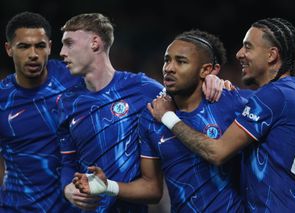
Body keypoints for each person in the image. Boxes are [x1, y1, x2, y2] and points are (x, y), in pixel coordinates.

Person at [148, 18, 295, 212]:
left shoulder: (273, 95)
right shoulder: (294, 95)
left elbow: (217, 152)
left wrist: (168, 117)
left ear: (272, 55)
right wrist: (217, 84)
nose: (239, 54)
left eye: (248, 47)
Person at [72, 29, 246, 212]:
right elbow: (152, 189)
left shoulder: (231, 102)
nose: (169, 68)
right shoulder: (151, 116)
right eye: (167, 60)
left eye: (181, 61)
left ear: (206, 70)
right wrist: (108, 186)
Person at [56, 13, 165, 212]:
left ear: (95, 43)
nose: (62, 52)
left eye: (69, 43)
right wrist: (67, 188)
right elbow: (67, 162)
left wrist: (214, 81)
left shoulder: (142, 89)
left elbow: (189, 104)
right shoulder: (67, 102)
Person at [0, 11, 81, 212]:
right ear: (9, 49)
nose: (33, 54)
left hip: (73, 206)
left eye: (40, 46)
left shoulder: (74, 76)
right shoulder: (2, 99)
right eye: (24, 46)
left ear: (50, 47)